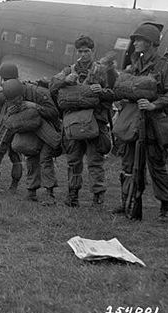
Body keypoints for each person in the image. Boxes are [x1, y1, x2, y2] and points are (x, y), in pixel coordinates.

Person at [114, 23, 168, 218]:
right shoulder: (136, 65)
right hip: (133, 121)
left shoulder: (167, 66)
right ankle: (128, 200)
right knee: (128, 164)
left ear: (151, 43)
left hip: (155, 123)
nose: (135, 43)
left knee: (156, 164)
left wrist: (155, 104)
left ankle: (165, 206)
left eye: (139, 39)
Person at [49, 36, 117, 207]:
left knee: (95, 161)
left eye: (87, 51)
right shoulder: (69, 70)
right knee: (73, 161)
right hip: (73, 122)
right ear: (76, 51)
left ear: (92, 51)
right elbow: (52, 85)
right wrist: (65, 80)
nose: (83, 54)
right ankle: (72, 195)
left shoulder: (103, 70)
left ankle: (98, 196)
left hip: (95, 121)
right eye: (80, 51)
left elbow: (115, 93)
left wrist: (101, 91)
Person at [5, 77, 61, 204]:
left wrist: (35, 106)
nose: (15, 102)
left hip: (48, 129)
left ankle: (49, 193)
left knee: (45, 158)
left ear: (20, 93)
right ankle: (31, 191)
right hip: (31, 128)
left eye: (16, 99)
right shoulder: (12, 95)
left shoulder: (40, 93)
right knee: (30, 157)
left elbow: (54, 113)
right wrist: (11, 112)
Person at [0, 61, 24, 195]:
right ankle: (14, 185)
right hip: (18, 128)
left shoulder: (6, 91)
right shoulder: (22, 89)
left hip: (4, 127)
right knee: (16, 158)